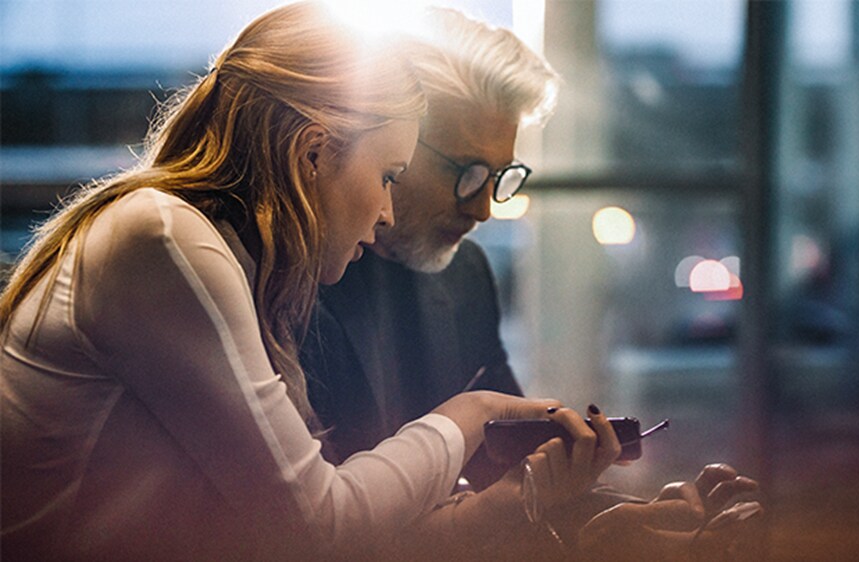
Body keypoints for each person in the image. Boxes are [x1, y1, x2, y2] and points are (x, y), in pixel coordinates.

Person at [0, 3, 621, 560]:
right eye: (387, 175)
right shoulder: (165, 240)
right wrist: (471, 414)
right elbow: (321, 531)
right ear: (313, 153)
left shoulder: (227, 259)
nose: (386, 211)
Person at [301, 7, 762, 560]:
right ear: (393, 144)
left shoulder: (466, 275)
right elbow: (324, 533)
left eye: (499, 178)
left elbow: (514, 479)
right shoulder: (293, 278)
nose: (483, 208)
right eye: (466, 172)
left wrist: (626, 519)